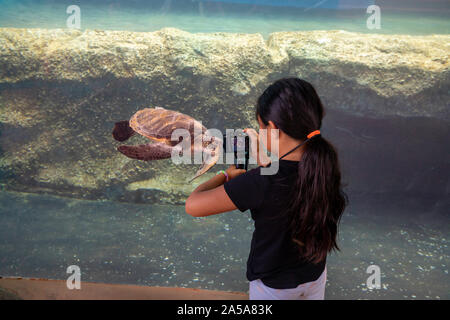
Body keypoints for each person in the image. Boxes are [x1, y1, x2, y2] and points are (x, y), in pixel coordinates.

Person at [185, 77, 348, 300]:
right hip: (315, 277)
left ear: (272, 127)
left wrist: (224, 176)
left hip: (275, 289)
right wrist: (263, 157)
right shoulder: (325, 166)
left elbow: (193, 205)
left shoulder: (259, 182)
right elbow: (286, 177)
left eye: (260, 127)